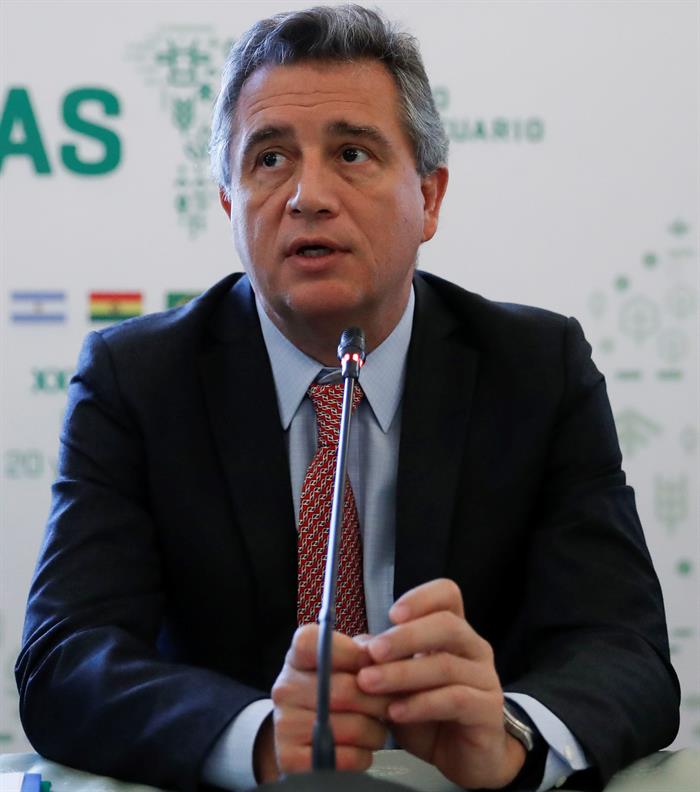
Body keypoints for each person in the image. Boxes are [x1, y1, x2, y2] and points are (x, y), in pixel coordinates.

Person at [16, 6, 679, 792]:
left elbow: (624, 648)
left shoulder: (536, 368)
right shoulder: (137, 378)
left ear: (429, 198)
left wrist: (512, 736)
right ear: (229, 205)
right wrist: (260, 737)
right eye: (269, 159)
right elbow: (68, 655)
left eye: (352, 153)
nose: (307, 196)